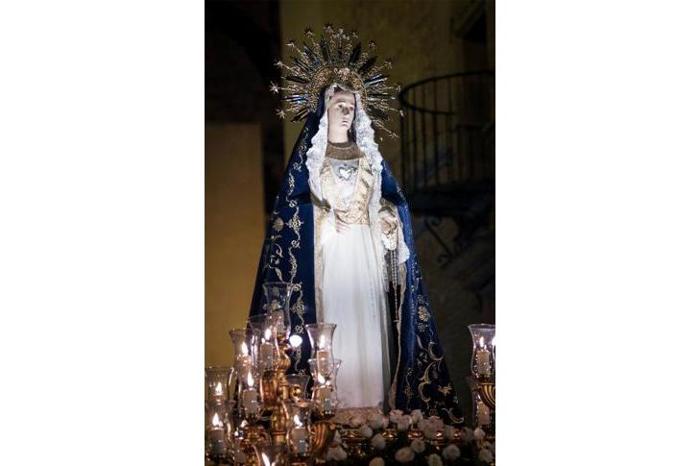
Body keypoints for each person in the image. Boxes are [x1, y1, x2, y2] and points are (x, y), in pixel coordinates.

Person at [249, 26, 463, 423]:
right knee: (336, 324)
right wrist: (323, 218)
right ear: (325, 109)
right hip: (329, 256)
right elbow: (291, 215)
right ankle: (334, 409)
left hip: (364, 255)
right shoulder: (312, 161)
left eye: (351, 105)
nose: (346, 111)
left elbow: (389, 203)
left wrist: (387, 220)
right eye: (339, 104)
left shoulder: (370, 158)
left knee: (370, 325)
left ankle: (374, 413)